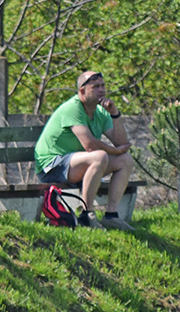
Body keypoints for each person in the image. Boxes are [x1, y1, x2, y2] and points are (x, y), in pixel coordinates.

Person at [34, 71, 135, 231]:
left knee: (126, 160)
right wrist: (114, 151)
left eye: (102, 86)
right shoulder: (72, 108)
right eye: (95, 87)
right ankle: (87, 214)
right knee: (99, 156)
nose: (101, 90)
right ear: (82, 91)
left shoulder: (101, 111)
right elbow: (90, 145)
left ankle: (111, 216)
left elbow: (121, 143)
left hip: (77, 165)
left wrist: (115, 113)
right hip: (52, 167)